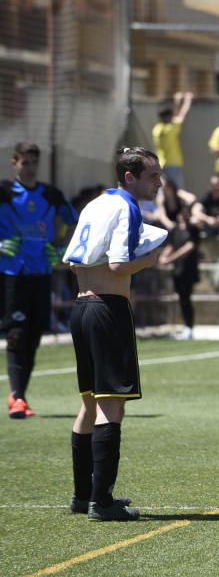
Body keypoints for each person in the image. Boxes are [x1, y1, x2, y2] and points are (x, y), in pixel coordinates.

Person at [62, 146, 167, 520]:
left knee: (89, 404)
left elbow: (72, 261)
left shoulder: (95, 204)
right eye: (153, 176)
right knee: (111, 404)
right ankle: (102, 502)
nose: (158, 183)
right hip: (107, 310)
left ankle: (83, 496)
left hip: (81, 309)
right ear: (129, 177)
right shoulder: (127, 207)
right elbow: (120, 264)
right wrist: (149, 259)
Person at [0, 142, 78, 418]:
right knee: (16, 333)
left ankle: (19, 396)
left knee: (33, 336)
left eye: (34, 162)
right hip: (12, 274)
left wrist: (61, 248)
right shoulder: (4, 192)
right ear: (14, 163)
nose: (30, 168)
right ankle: (17, 396)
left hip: (42, 273)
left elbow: (74, 221)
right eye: (25, 162)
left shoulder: (51, 194)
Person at [157, 203, 199, 340]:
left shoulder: (194, 230)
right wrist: (163, 256)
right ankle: (185, 326)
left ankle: (189, 327)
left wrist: (169, 259)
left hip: (189, 269)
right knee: (181, 298)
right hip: (178, 269)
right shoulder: (175, 230)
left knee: (186, 298)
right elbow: (170, 245)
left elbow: (188, 247)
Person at [151, 91, 193, 189]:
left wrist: (177, 102)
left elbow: (176, 118)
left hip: (161, 164)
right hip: (173, 164)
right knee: (177, 190)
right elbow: (181, 115)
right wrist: (188, 100)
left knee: (162, 190)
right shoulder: (170, 129)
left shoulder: (157, 129)